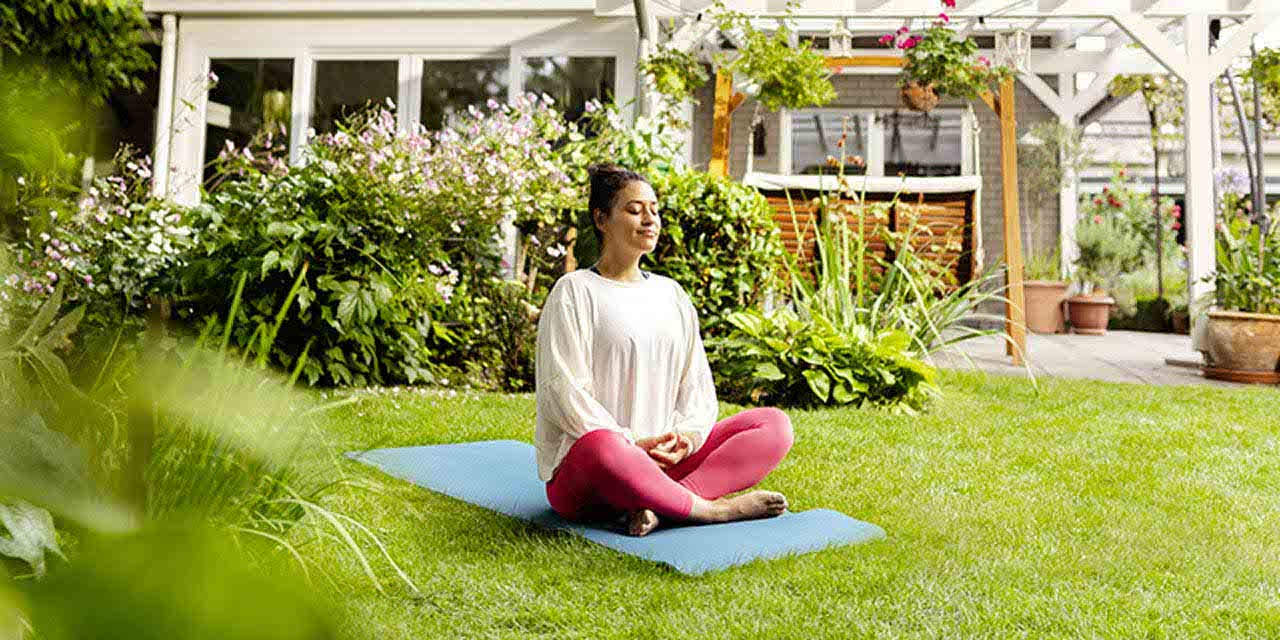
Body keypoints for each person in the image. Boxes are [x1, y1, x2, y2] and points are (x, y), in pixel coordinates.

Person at [534, 163, 794, 537]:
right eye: (634, 210)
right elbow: (564, 393)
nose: (649, 220)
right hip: (595, 472)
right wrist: (630, 444)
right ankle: (709, 510)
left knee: (773, 426)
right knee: (602, 445)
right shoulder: (574, 292)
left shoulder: (671, 294)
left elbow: (697, 387)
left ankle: (660, 507)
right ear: (602, 219)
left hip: (663, 463)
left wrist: (686, 439)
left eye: (654, 210)